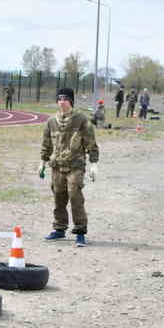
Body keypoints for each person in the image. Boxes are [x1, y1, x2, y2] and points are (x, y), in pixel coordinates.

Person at [39, 87, 99, 248]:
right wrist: (42, 162)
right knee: (59, 197)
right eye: (59, 99)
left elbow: (91, 143)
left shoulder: (81, 120)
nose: (61, 102)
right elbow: (46, 144)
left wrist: (94, 164)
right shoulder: (51, 121)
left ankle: (80, 232)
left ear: (71, 101)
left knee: (75, 197)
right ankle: (59, 228)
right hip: (57, 165)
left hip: (75, 165)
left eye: (65, 99)